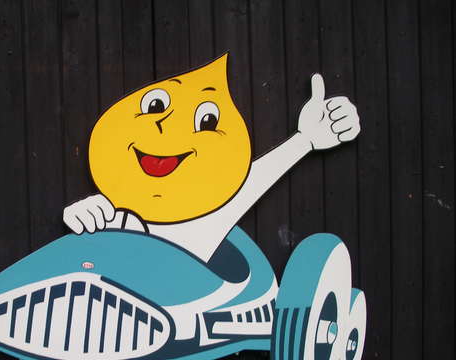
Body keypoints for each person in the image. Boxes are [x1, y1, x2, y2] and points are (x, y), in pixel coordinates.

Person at [63, 54, 360, 263]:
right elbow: (103, 228)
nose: (167, 127)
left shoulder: (207, 219)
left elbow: (249, 183)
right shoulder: (121, 218)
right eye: (155, 106)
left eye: (206, 121)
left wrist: (305, 140)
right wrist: (87, 215)